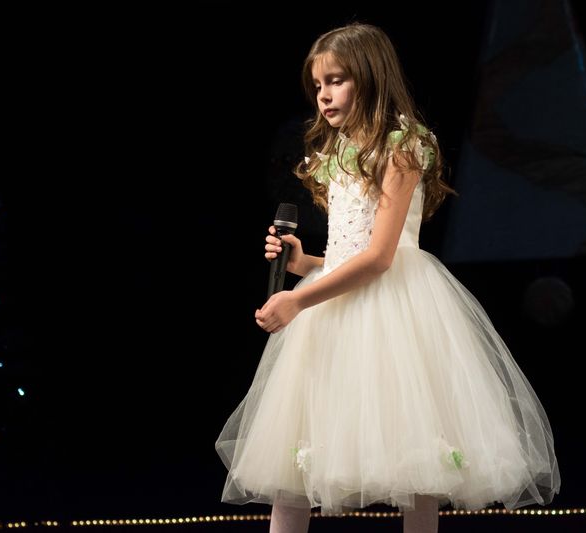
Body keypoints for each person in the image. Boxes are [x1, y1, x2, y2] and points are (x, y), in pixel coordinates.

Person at [214, 22, 561, 533]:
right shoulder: (336, 152)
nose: (323, 95)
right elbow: (346, 254)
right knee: (295, 468)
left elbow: (379, 257)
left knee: (414, 461)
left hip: (395, 310)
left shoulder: (402, 147)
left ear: (370, 77)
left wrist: (299, 301)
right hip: (335, 309)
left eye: (336, 80)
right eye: (318, 85)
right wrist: (303, 264)